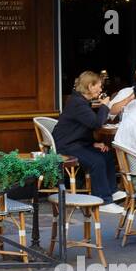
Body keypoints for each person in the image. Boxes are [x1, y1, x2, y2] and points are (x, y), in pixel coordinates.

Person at [53, 71, 124, 215]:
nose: (101, 89)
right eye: (98, 86)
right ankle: (104, 201)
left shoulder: (80, 101)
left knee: (106, 154)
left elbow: (82, 127)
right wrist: (105, 106)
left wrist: (93, 144)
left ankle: (111, 190)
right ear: (90, 86)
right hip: (67, 146)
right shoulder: (77, 103)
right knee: (96, 161)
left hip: (76, 142)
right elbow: (96, 124)